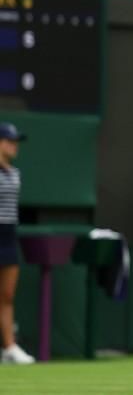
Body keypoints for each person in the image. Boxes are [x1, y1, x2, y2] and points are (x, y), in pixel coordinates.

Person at [0, 123, 34, 364]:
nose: (14, 146)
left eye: (15, 142)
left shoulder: (15, 173)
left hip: (9, 235)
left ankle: (9, 348)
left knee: (7, 294)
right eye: (9, 141)